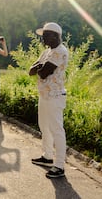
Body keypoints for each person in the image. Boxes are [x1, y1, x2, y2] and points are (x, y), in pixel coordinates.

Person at [29, 22, 68, 178]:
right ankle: (47, 156)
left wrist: (40, 66)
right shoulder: (47, 52)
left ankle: (59, 165)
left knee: (56, 130)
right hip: (44, 95)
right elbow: (31, 71)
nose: (43, 39)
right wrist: (40, 65)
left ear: (56, 36)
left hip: (55, 96)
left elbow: (44, 73)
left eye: (46, 36)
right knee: (44, 126)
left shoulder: (61, 51)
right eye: (42, 36)